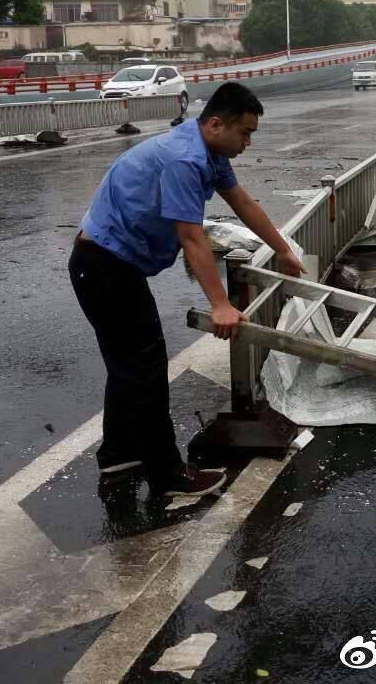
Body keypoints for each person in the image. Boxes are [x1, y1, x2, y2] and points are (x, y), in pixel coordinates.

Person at [69, 82, 306, 497]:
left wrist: (283, 250)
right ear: (216, 124)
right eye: (244, 133)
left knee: (130, 367)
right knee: (144, 368)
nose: (248, 142)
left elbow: (244, 203)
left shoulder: (210, 154)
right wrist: (220, 305)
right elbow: (192, 238)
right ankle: (169, 477)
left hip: (110, 266)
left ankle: (119, 455)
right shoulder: (184, 159)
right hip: (104, 266)